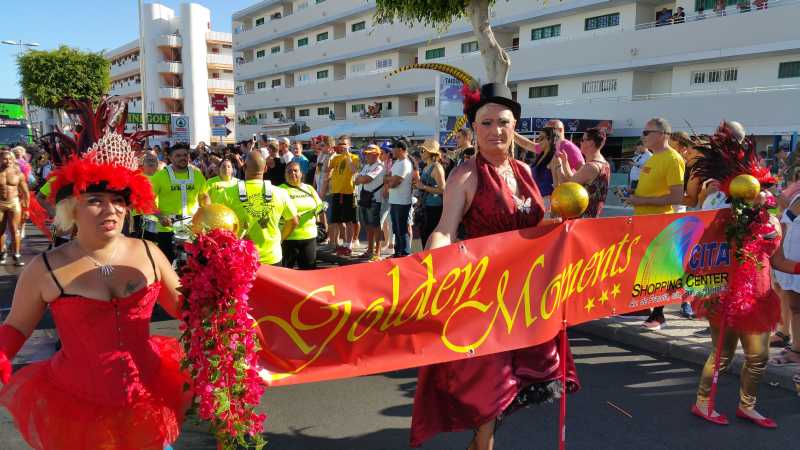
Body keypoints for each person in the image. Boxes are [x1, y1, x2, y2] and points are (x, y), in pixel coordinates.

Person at [0, 98, 191, 449]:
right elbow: (15, 327)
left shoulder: (149, 252)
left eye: (119, 200)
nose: (111, 209)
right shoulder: (45, 269)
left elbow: (188, 310)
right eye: (96, 199)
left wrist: (222, 282)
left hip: (148, 396)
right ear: (73, 207)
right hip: (77, 408)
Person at [410, 83, 578, 450]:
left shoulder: (525, 172)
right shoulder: (466, 175)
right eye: (486, 123)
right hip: (486, 299)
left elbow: (533, 226)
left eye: (503, 122)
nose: (495, 131)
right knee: (492, 388)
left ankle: (480, 443)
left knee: (511, 386)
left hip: (525, 295)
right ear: (474, 129)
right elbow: (444, 229)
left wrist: (563, 227)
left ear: (514, 126)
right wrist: (431, 266)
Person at [690, 129, 782, 429]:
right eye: (760, 188)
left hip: (760, 294)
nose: (765, 193)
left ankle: (748, 406)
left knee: (759, 357)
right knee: (721, 357)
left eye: (766, 188)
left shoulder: (771, 220)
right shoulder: (722, 217)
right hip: (725, 293)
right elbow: (702, 250)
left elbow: (777, 258)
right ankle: (703, 403)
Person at [625, 118, 685, 330]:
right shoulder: (652, 158)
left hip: (659, 222)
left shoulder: (672, 158)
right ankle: (643, 307)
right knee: (643, 266)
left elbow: (677, 196)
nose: (643, 136)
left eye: (647, 132)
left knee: (659, 269)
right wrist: (634, 195)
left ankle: (658, 315)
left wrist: (642, 200)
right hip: (643, 220)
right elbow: (652, 188)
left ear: (662, 134)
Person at [216, 150, 298, 265]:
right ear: (265, 169)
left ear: (243, 168)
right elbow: (294, 221)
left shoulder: (227, 193)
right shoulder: (280, 193)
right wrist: (280, 239)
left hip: (241, 260)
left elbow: (217, 225)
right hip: (272, 258)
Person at [149, 144, 207, 262]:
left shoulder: (197, 175)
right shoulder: (160, 176)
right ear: (170, 158)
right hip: (167, 229)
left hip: (192, 228)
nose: (182, 158)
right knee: (167, 265)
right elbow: (148, 200)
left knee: (194, 266)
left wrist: (207, 213)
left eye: (185, 155)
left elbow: (204, 198)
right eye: (178, 155)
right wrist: (160, 217)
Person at [551, 127, 610, 218]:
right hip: (592, 218)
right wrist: (564, 162)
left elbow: (566, 187)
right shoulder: (605, 164)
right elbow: (574, 178)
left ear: (591, 143)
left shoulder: (591, 167)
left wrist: (558, 166)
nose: (580, 143)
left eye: (583, 140)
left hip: (581, 219)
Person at [280, 162, 322, 269]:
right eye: (289, 171)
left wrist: (319, 209)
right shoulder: (280, 190)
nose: (292, 173)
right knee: (285, 274)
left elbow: (319, 205)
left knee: (309, 273)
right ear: (285, 174)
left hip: (309, 237)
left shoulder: (309, 188)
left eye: (295, 170)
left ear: (301, 173)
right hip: (288, 237)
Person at [326, 135, 360, 256]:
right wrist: (329, 155)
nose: (342, 146)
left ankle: (349, 243)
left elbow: (353, 170)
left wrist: (347, 155)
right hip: (336, 191)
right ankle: (344, 242)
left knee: (349, 220)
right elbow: (327, 168)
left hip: (348, 192)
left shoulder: (354, 157)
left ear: (349, 145)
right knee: (338, 220)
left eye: (344, 144)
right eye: (340, 144)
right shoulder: (337, 157)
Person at [354, 144, 385, 261]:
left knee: (376, 226)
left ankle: (378, 251)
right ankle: (370, 250)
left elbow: (366, 179)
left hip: (374, 199)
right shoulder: (367, 165)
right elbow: (357, 180)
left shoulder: (380, 166)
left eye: (369, 154)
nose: (366, 156)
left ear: (377, 154)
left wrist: (361, 178)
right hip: (364, 198)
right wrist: (361, 179)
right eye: (366, 154)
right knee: (367, 225)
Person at [385, 139, 414, 258]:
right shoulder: (397, 162)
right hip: (395, 200)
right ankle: (398, 252)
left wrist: (389, 180)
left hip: (402, 201)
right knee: (396, 229)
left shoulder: (405, 163)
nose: (392, 150)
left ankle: (405, 253)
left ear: (401, 149)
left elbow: (393, 182)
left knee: (401, 229)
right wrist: (390, 180)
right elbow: (388, 178)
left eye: (394, 148)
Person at [415, 139, 446, 247]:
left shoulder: (437, 167)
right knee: (424, 236)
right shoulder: (426, 167)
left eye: (423, 151)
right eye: (421, 151)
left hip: (434, 207)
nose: (421, 153)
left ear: (430, 153)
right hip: (425, 206)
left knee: (431, 237)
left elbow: (442, 189)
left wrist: (423, 186)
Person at [0, 151, 29, 266]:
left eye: (10, 159)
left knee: (15, 230)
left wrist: (26, 209)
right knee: (0, 230)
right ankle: (2, 252)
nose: (8, 161)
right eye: (5, 159)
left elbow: (26, 192)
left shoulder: (18, 173)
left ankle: (16, 255)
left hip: (14, 202)